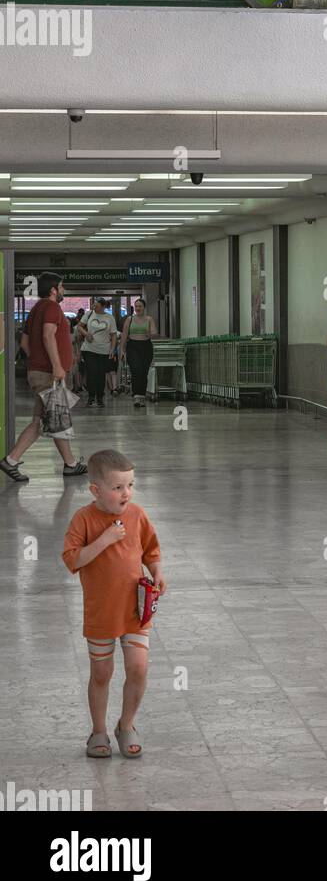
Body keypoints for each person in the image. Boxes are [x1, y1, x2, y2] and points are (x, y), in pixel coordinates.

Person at [62, 448, 165, 759]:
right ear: (96, 489)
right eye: (118, 487)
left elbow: (152, 551)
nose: (126, 493)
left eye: (130, 485)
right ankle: (98, 730)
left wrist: (157, 572)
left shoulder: (137, 515)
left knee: (138, 668)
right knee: (101, 673)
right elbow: (72, 560)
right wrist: (104, 540)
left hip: (136, 610)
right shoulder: (84, 519)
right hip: (101, 614)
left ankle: (126, 724)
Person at [0, 272, 87, 484]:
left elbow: (25, 344)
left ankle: (15, 461)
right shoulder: (51, 308)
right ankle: (68, 464)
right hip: (50, 375)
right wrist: (56, 366)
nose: (64, 290)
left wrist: (37, 361)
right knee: (56, 418)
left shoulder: (36, 310)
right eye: (62, 286)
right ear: (53, 290)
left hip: (39, 372)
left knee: (43, 421)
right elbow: (48, 335)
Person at [79, 300, 118, 409]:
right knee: (92, 372)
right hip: (89, 349)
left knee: (101, 374)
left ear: (103, 307)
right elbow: (79, 326)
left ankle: (100, 398)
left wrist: (112, 349)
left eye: (96, 306)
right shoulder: (89, 314)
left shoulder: (110, 318)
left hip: (104, 350)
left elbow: (114, 335)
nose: (94, 307)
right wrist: (86, 334)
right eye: (93, 305)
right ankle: (91, 397)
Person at [120, 299, 157, 409]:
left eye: (140, 306)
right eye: (136, 306)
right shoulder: (129, 319)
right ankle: (136, 396)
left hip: (146, 347)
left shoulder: (149, 319)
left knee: (144, 372)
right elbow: (124, 335)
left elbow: (155, 334)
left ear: (144, 307)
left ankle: (142, 396)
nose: (138, 308)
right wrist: (122, 349)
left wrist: (150, 334)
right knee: (136, 370)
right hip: (133, 346)